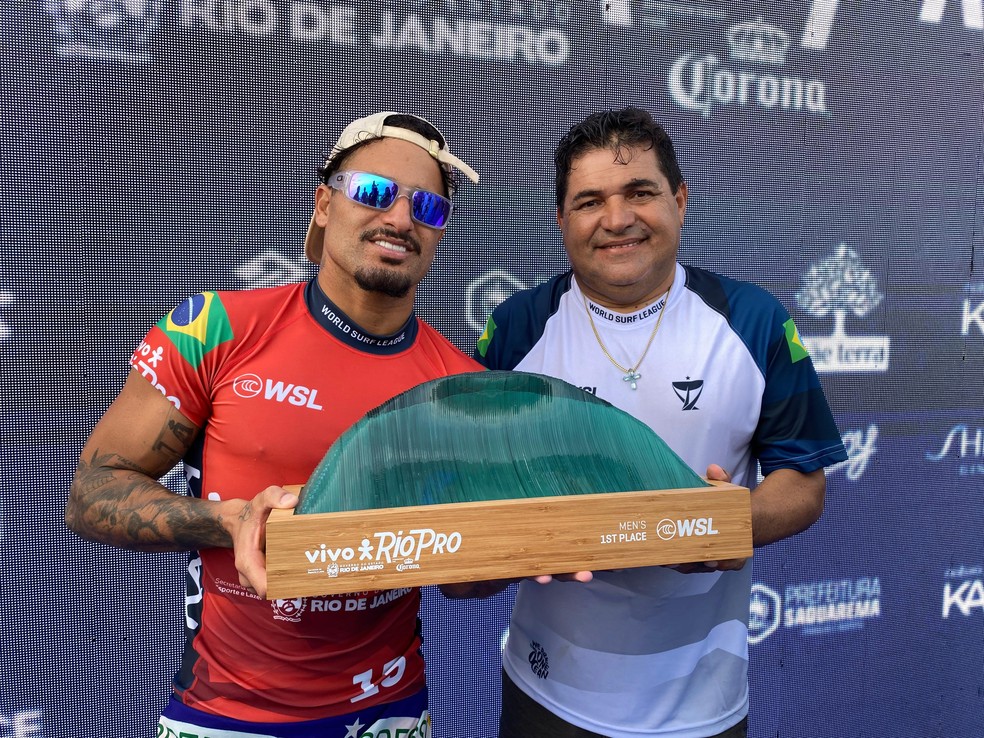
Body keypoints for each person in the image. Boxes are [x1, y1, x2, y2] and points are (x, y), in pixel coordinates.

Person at [65, 111, 482, 737]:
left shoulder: (460, 385)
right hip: (224, 714)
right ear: (323, 204)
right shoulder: (215, 327)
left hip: (390, 713)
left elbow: (468, 585)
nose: (400, 219)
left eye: (427, 207)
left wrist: (528, 546)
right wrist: (230, 521)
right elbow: (91, 493)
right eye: (373, 192)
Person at [461, 107, 848, 737]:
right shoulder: (515, 329)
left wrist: (726, 522)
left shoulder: (752, 320)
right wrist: (521, 543)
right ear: (561, 221)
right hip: (546, 694)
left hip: (702, 708)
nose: (617, 220)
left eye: (640, 192)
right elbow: (469, 530)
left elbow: (803, 483)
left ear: (680, 201)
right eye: (589, 201)